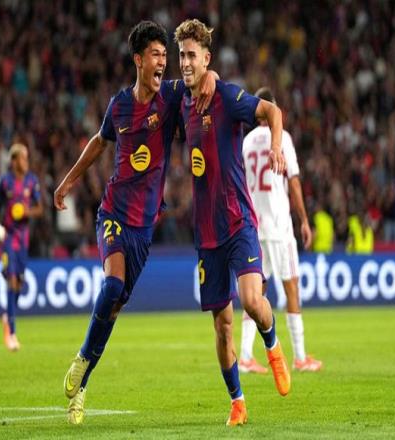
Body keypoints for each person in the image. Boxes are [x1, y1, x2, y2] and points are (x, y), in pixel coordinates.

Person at [54, 21, 217, 425]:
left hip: (144, 228)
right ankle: (82, 360)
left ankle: (82, 383)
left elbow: (201, 79)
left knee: (114, 307)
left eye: (166, 55)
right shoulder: (119, 105)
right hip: (113, 214)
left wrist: (211, 75)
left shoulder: (172, 96)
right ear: (139, 60)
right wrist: (68, 181)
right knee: (112, 286)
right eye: (156, 55)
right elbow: (99, 142)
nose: (163, 62)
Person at [174, 19, 290, 427]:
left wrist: (276, 147)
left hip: (239, 219)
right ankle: (237, 402)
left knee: (253, 301)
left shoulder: (224, 95)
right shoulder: (181, 101)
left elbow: (272, 111)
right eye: (182, 55)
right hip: (206, 232)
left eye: (192, 55)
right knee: (222, 327)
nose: (186, 63)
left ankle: (272, 345)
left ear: (207, 58)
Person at [240, 87, 322, 374]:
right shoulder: (282, 137)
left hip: (254, 226)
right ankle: (299, 357)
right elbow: (294, 182)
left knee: (255, 293)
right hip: (278, 225)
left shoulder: (247, 141)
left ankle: (246, 356)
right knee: (291, 287)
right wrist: (304, 220)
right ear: (272, 109)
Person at [0, 143, 42, 352]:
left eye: (27, 157)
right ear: (13, 161)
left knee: (19, 283)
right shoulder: (4, 181)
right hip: (9, 237)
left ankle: (7, 317)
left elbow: (40, 208)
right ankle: (11, 333)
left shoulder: (32, 181)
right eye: (23, 158)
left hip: (24, 238)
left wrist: (27, 212)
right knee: (11, 279)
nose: (26, 161)